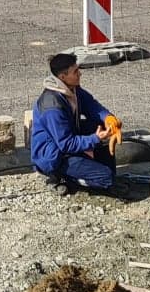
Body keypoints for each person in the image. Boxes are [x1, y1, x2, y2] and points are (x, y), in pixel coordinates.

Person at [30, 52, 120, 193]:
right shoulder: (52, 106)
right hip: (54, 157)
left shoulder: (72, 89)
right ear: (63, 77)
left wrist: (109, 119)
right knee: (106, 179)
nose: (80, 74)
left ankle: (99, 169)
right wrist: (95, 138)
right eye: (75, 71)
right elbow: (66, 144)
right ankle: (63, 177)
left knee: (102, 127)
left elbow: (91, 105)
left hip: (67, 142)